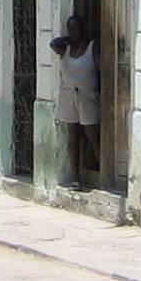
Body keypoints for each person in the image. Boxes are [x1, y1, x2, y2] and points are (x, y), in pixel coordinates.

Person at [50, 14, 100, 189]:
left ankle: (103, 173)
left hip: (87, 96)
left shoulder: (92, 47)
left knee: (92, 135)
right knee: (73, 136)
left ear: (83, 29)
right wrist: (66, 39)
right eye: (70, 29)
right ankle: (75, 176)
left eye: (76, 28)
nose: (73, 32)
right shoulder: (65, 49)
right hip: (68, 96)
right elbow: (53, 44)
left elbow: (102, 69)